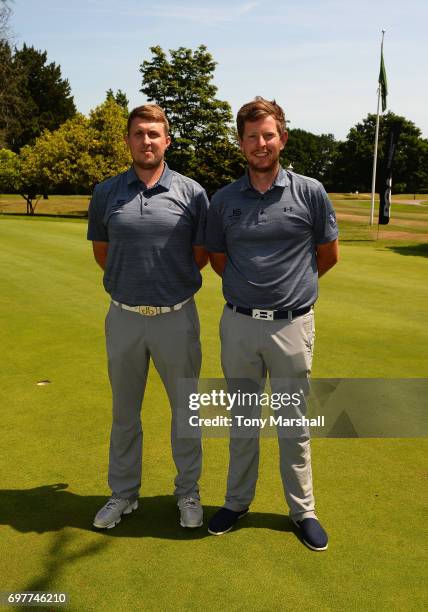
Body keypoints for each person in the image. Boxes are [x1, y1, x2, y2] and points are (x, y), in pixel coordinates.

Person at [205, 97, 338, 551]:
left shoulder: (310, 191)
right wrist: (252, 293)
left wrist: (289, 292)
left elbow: (328, 254)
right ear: (240, 143)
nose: (260, 144)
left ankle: (303, 510)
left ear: (282, 136)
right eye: (251, 137)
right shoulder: (223, 199)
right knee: (242, 418)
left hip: (292, 326)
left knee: (292, 423)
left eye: (268, 135)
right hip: (239, 325)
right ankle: (237, 501)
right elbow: (219, 260)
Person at [87, 104, 209, 529]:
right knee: (124, 413)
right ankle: (123, 493)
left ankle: (188, 493)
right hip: (123, 317)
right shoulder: (106, 192)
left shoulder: (192, 192)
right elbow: (104, 252)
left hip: (177, 317)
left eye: (154, 134)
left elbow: (200, 255)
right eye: (139, 134)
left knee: (186, 412)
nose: (146, 141)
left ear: (167, 141)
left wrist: (168, 285)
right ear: (128, 140)